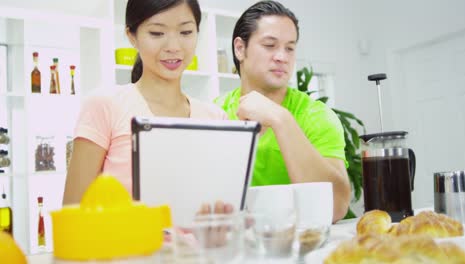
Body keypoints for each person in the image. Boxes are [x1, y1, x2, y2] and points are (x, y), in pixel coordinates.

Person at [63, 0, 228, 206]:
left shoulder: (216, 118)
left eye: (185, 32)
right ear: (132, 36)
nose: (174, 47)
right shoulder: (105, 105)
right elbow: (73, 211)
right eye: (157, 33)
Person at [215, 0, 351, 222]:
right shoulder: (214, 114)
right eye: (270, 45)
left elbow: (335, 207)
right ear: (240, 48)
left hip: (304, 248)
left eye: (290, 47)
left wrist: (280, 119)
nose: (282, 56)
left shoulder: (316, 115)